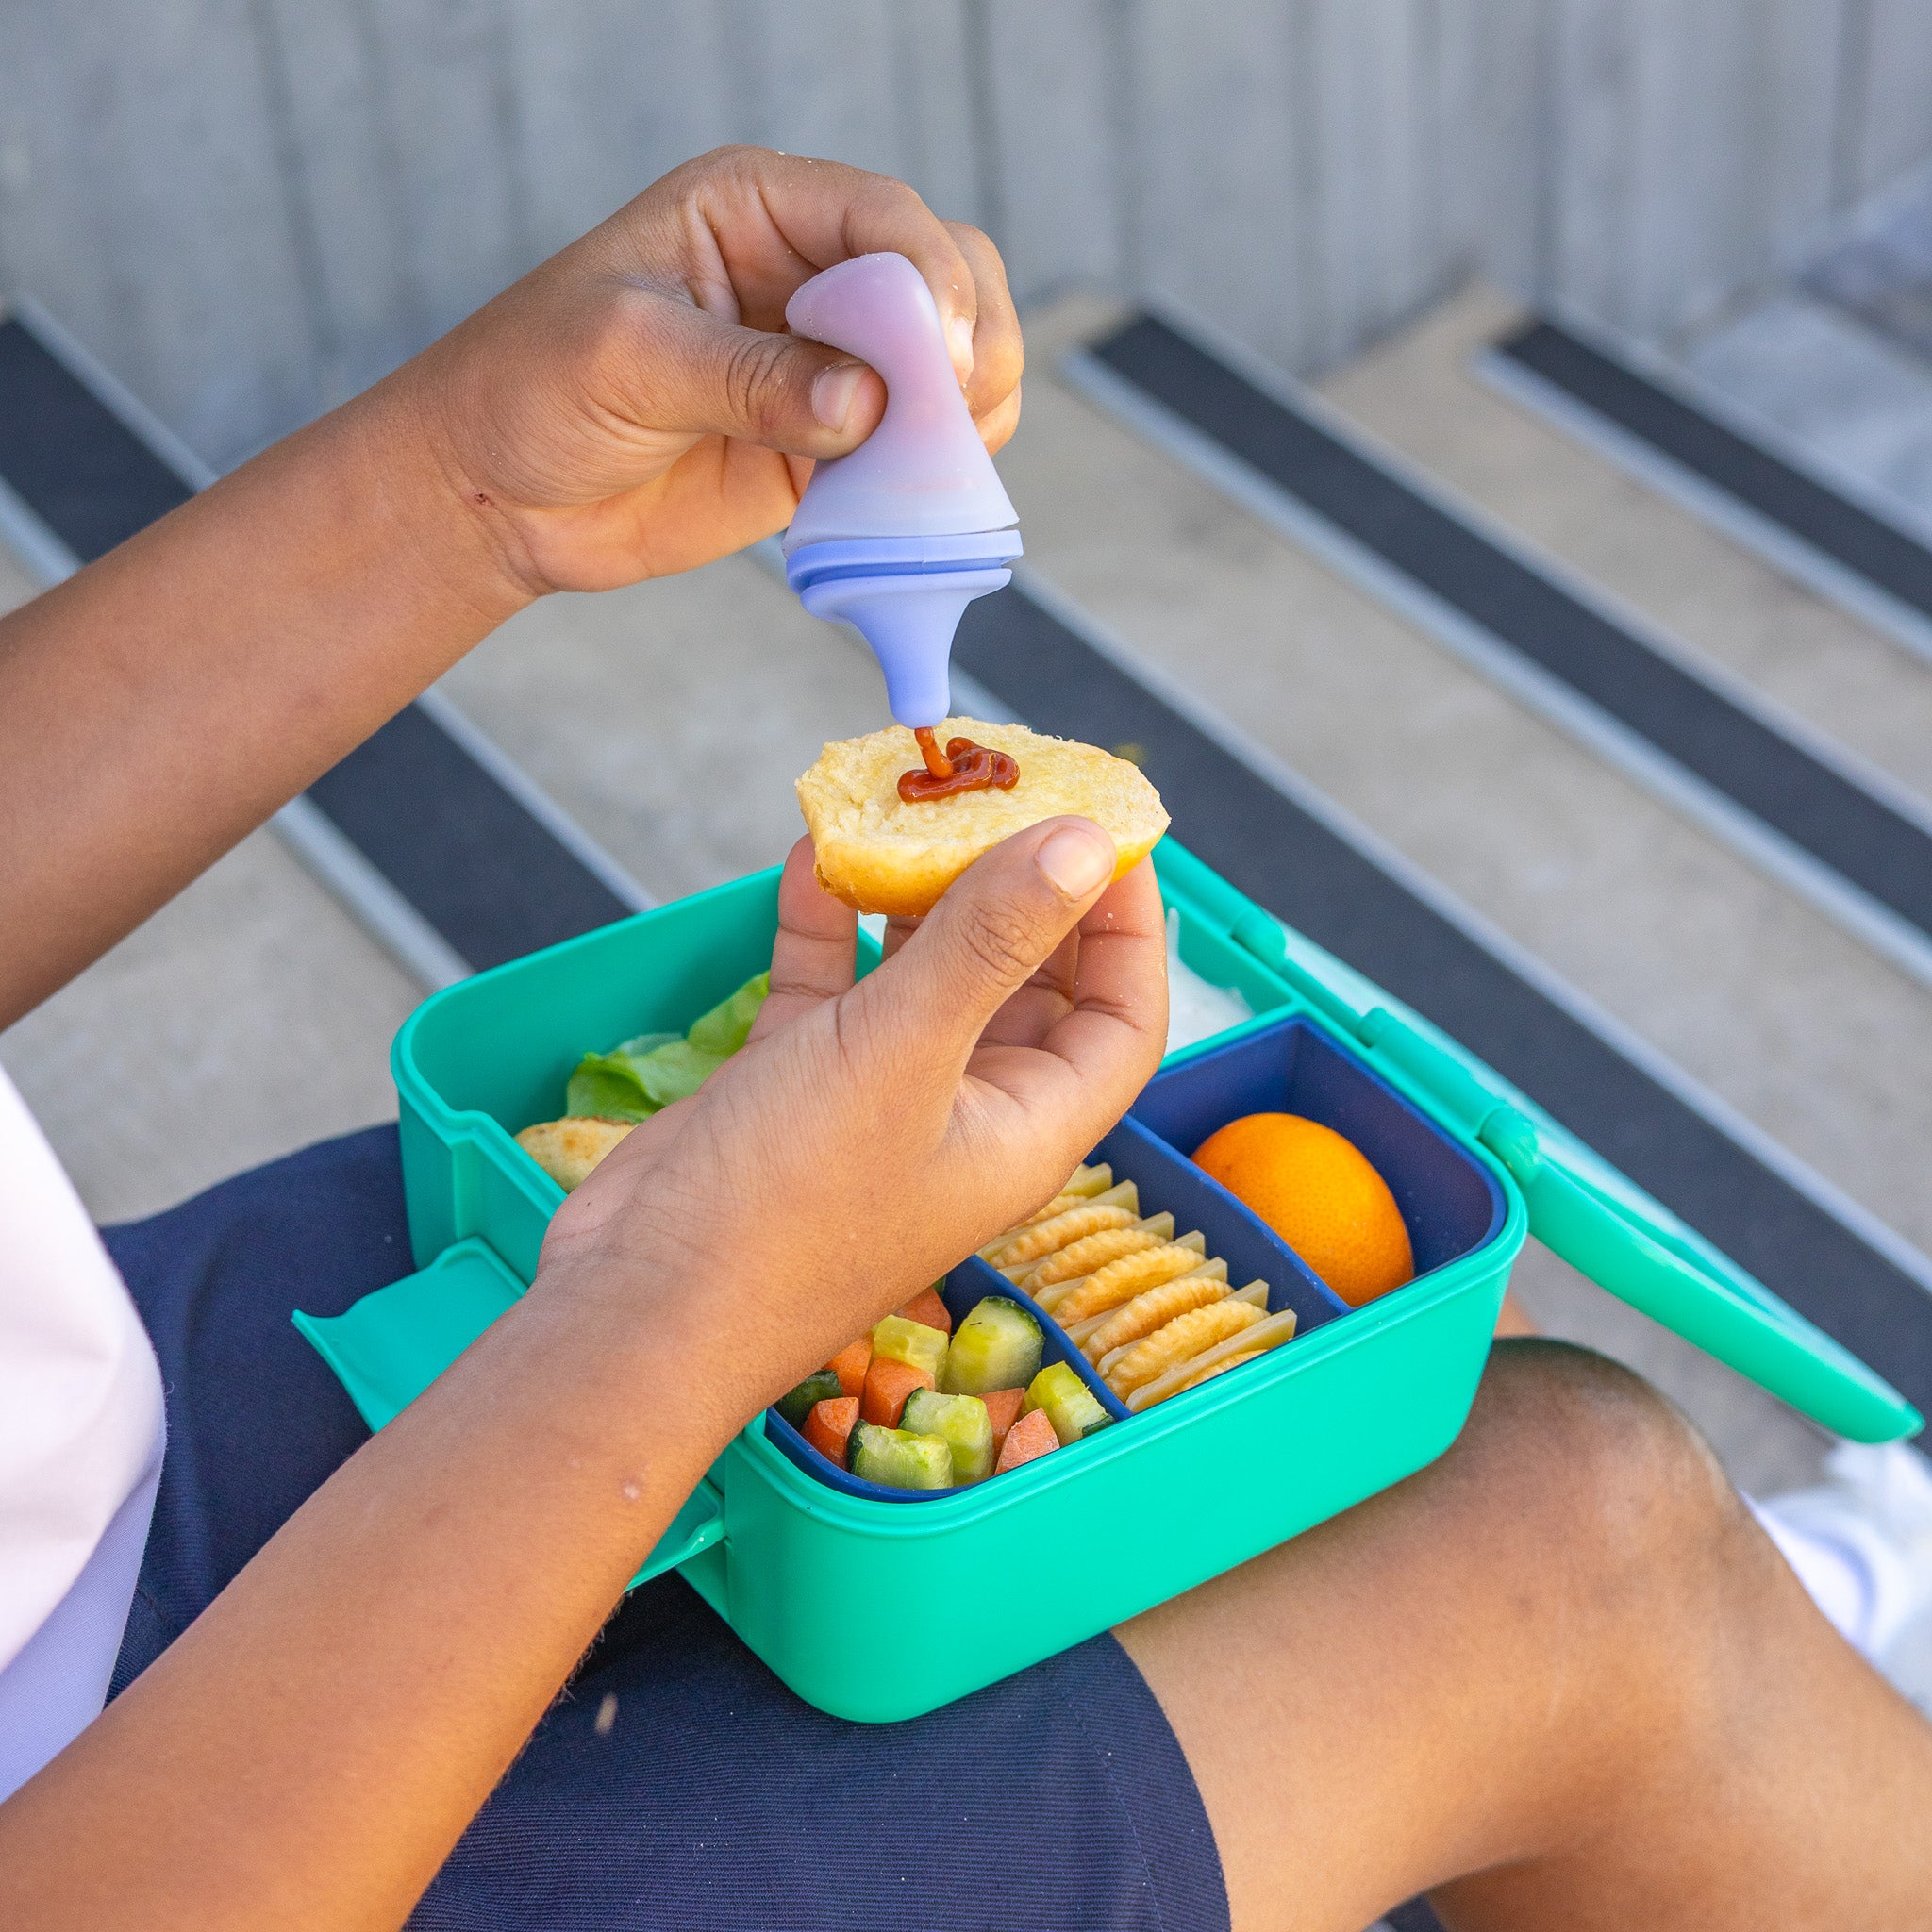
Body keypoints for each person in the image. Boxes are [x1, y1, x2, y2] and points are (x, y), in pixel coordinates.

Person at [0, 145, 1928, 1932]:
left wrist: (465, 486)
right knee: (1577, 1527)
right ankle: (1710, 1697)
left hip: (80, 1424)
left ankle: (1727, 1701)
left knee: (1424, 1456)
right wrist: (666, 1317)